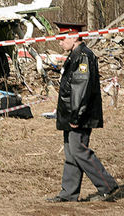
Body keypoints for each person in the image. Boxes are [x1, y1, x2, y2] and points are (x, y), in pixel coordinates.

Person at [46, 22, 120, 203]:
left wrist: (76, 116)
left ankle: (107, 186)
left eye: (62, 39)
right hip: (71, 114)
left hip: (79, 115)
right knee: (71, 153)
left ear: (74, 37)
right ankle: (68, 194)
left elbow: (81, 89)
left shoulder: (84, 57)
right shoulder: (75, 55)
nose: (60, 43)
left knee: (79, 150)